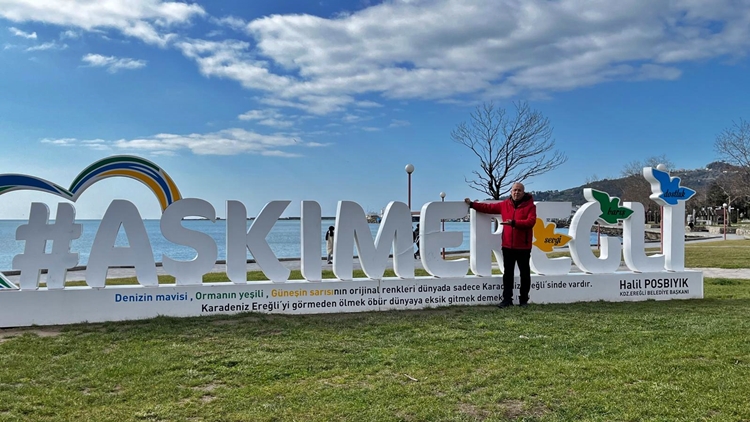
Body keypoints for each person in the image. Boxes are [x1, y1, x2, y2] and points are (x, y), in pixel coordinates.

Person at [464, 182, 537, 308]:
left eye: (519, 190)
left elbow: (531, 222)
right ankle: (507, 300)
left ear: (523, 192)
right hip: (507, 246)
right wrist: (472, 204)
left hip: (523, 247)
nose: (516, 192)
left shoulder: (530, 206)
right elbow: (488, 208)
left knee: (525, 274)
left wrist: (514, 223)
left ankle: (524, 300)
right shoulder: (505, 204)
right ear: (511, 191)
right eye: (514, 190)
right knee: (508, 274)